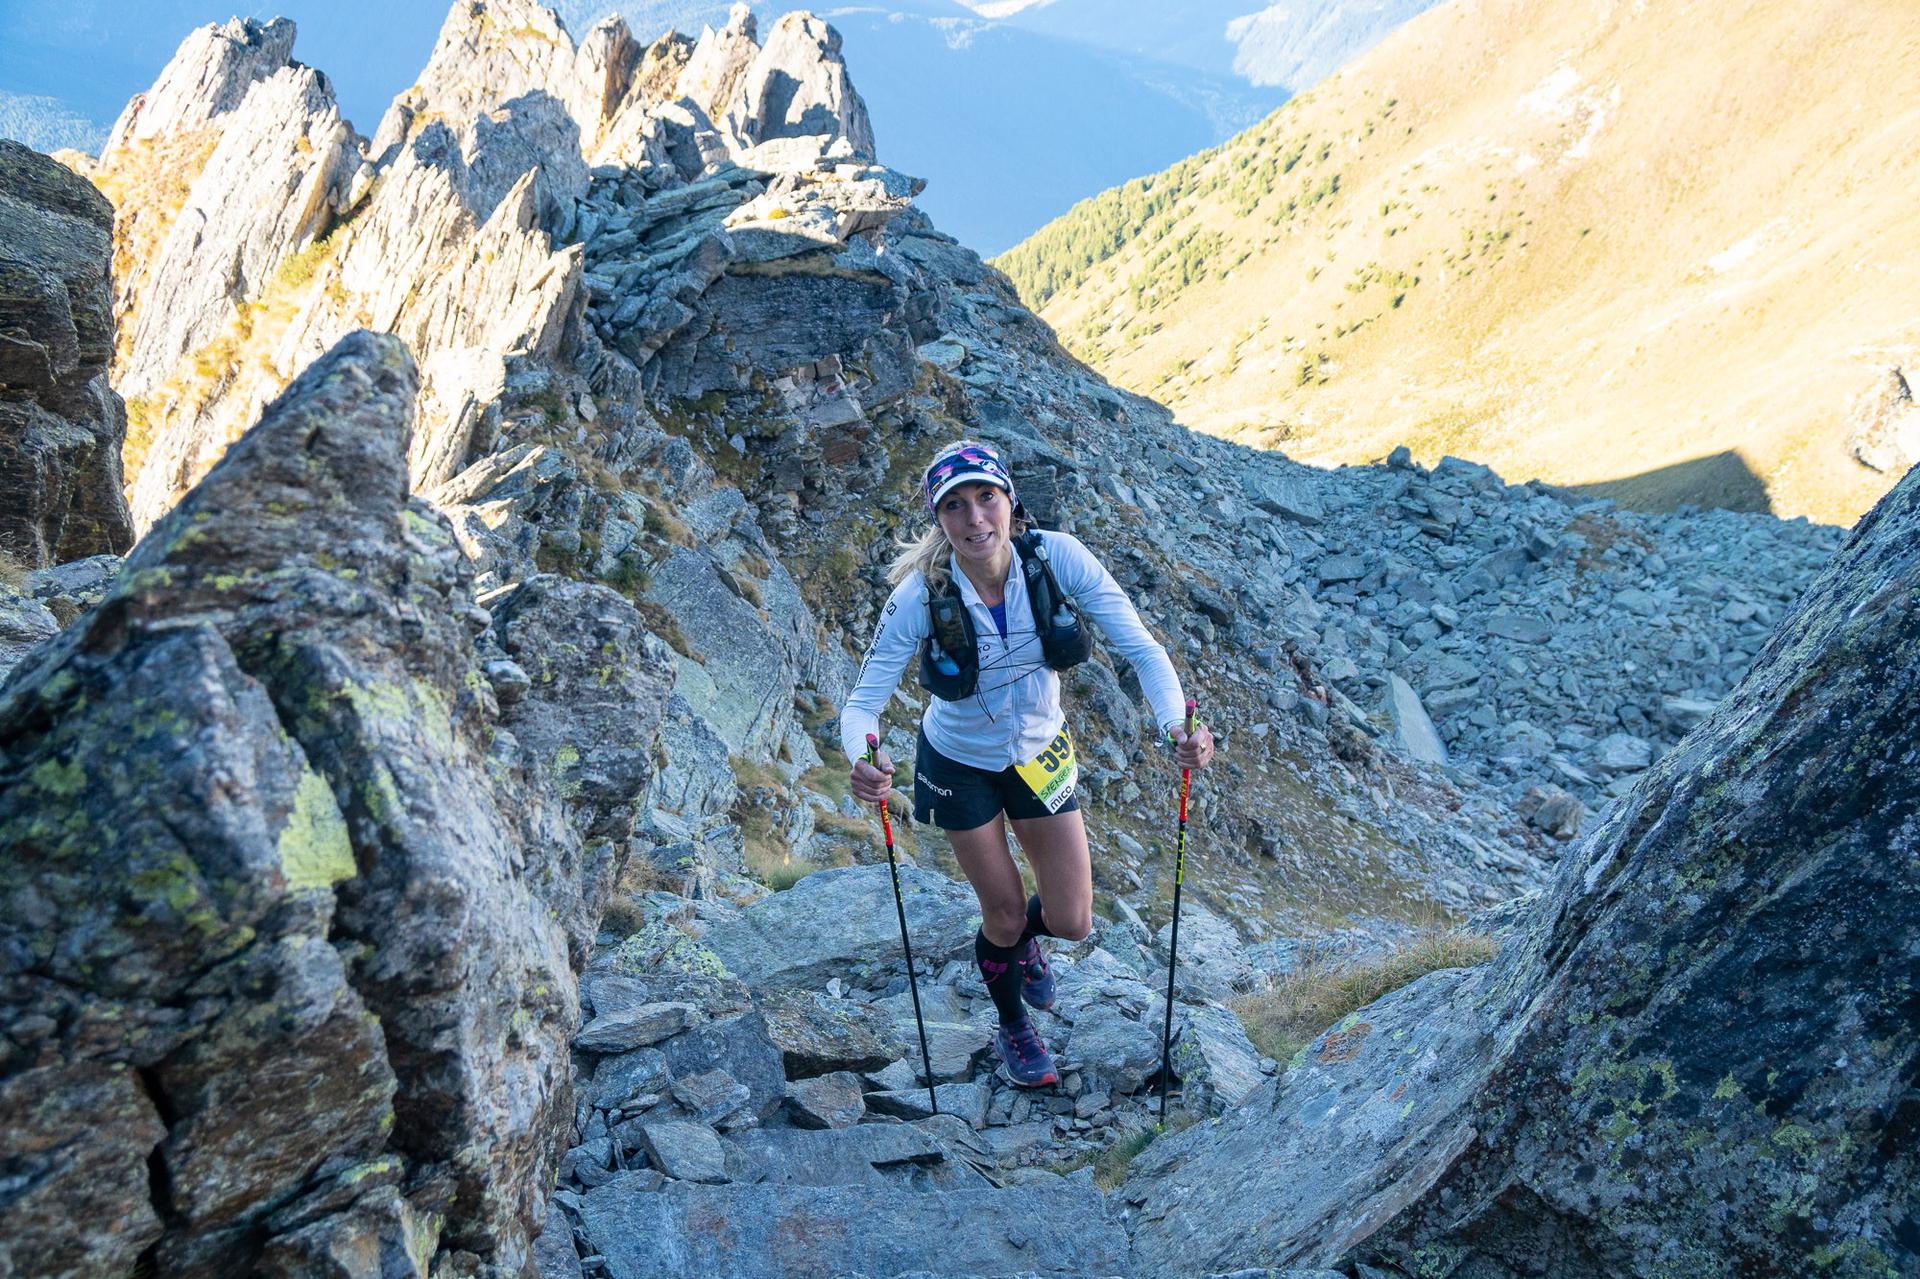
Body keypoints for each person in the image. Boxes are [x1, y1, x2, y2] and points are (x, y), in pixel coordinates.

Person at [840, 439, 1215, 1088]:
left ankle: (1020, 944)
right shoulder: (918, 596)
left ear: (1011, 500)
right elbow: (861, 707)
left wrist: (1178, 724)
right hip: (956, 764)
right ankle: (1012, 1020)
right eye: (954, 506)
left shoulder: (1057, 558)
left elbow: (1144, 650)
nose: (975, 518)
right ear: (939, 519)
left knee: (1072, 918)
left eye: (986, 497)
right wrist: (864, 761)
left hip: (1040, 754)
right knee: (1006, 912)